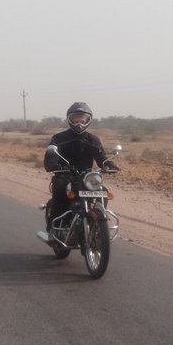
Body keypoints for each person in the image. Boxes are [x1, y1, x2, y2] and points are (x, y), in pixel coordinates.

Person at [38, 102, 118, 243]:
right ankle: (51, 229)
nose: (79, 122)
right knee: (60, 190)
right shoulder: (59, 138)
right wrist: (54, 165)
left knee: (103, 192)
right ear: (70, 119)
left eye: (83, 119)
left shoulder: (93, 140)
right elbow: (51, 156)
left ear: (88, 120)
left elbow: (102, 159)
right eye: (76, 118)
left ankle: (98, 224)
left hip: (86, 176)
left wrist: (109, 165)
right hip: (64, 174)